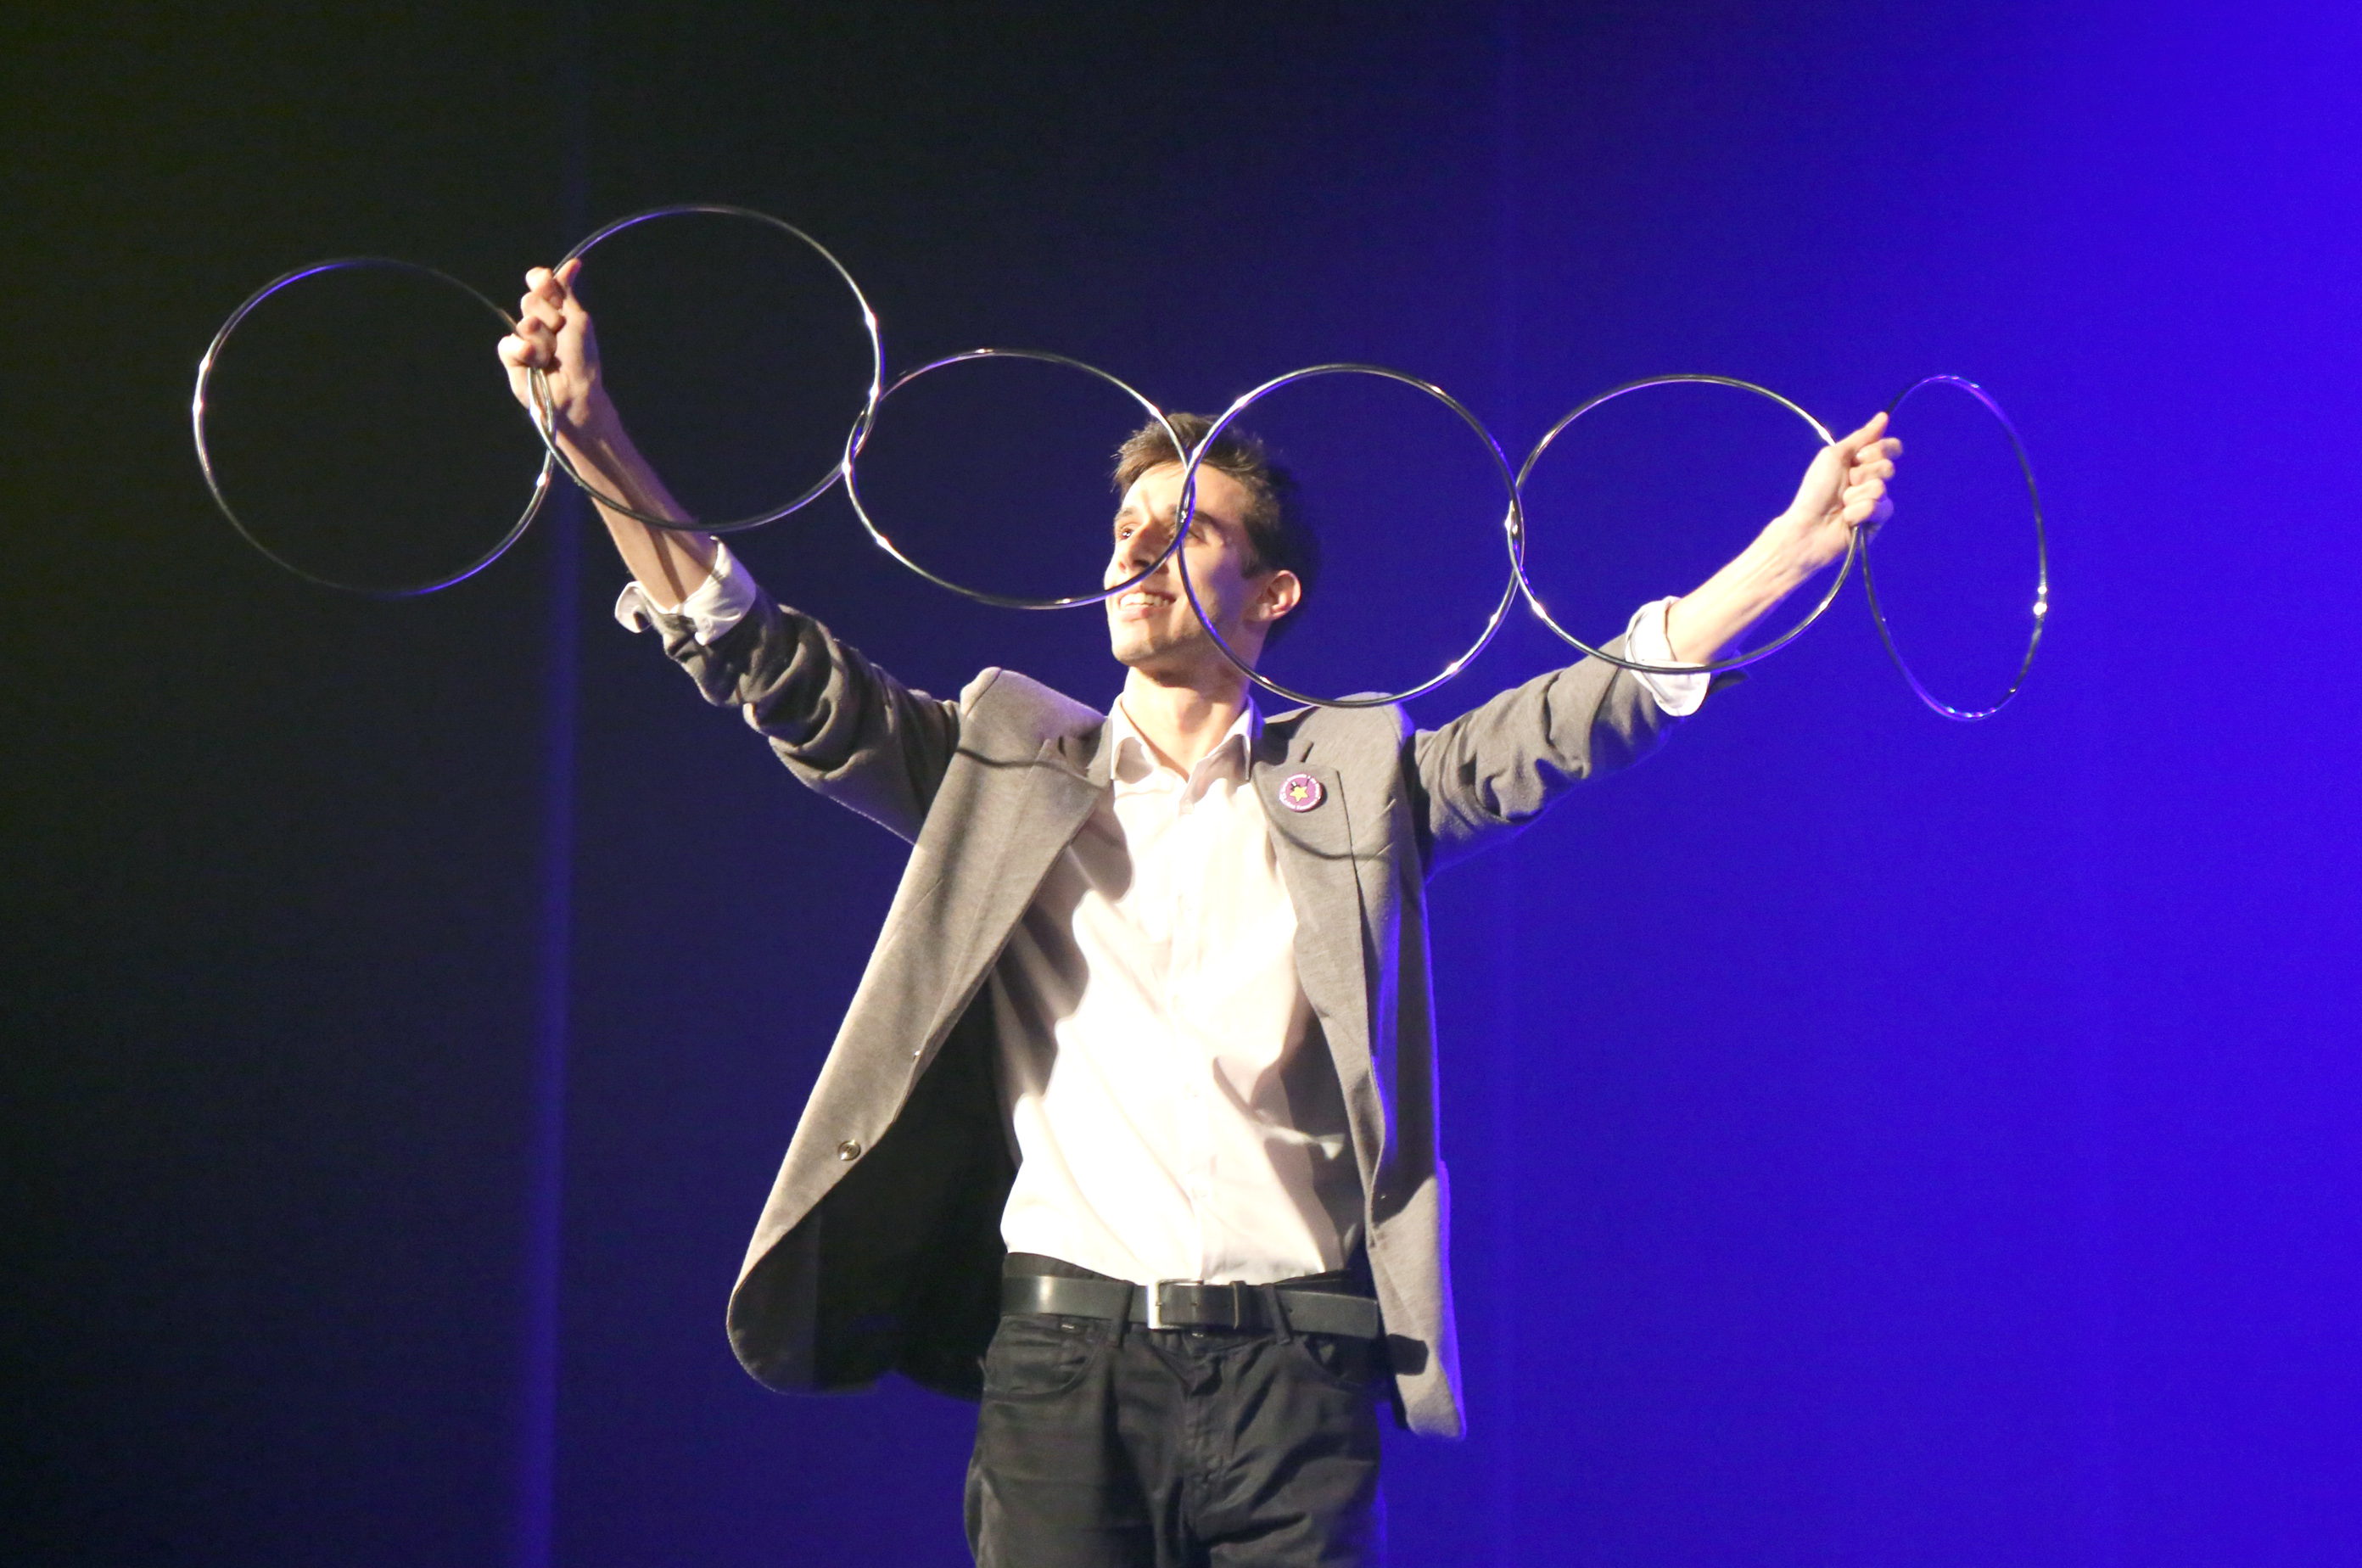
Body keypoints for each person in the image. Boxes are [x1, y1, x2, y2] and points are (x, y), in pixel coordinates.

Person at [499, 258, 1900, 1567]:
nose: (1139, 548)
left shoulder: (1353, 780)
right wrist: (595, 441)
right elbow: (769, 667)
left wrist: (1788, 553)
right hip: (1064, 1371)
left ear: (1270, 593)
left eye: (1186, 531)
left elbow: (1564, 723)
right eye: (1126, 526)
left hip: (1299, 1378)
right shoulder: (1003, 763)